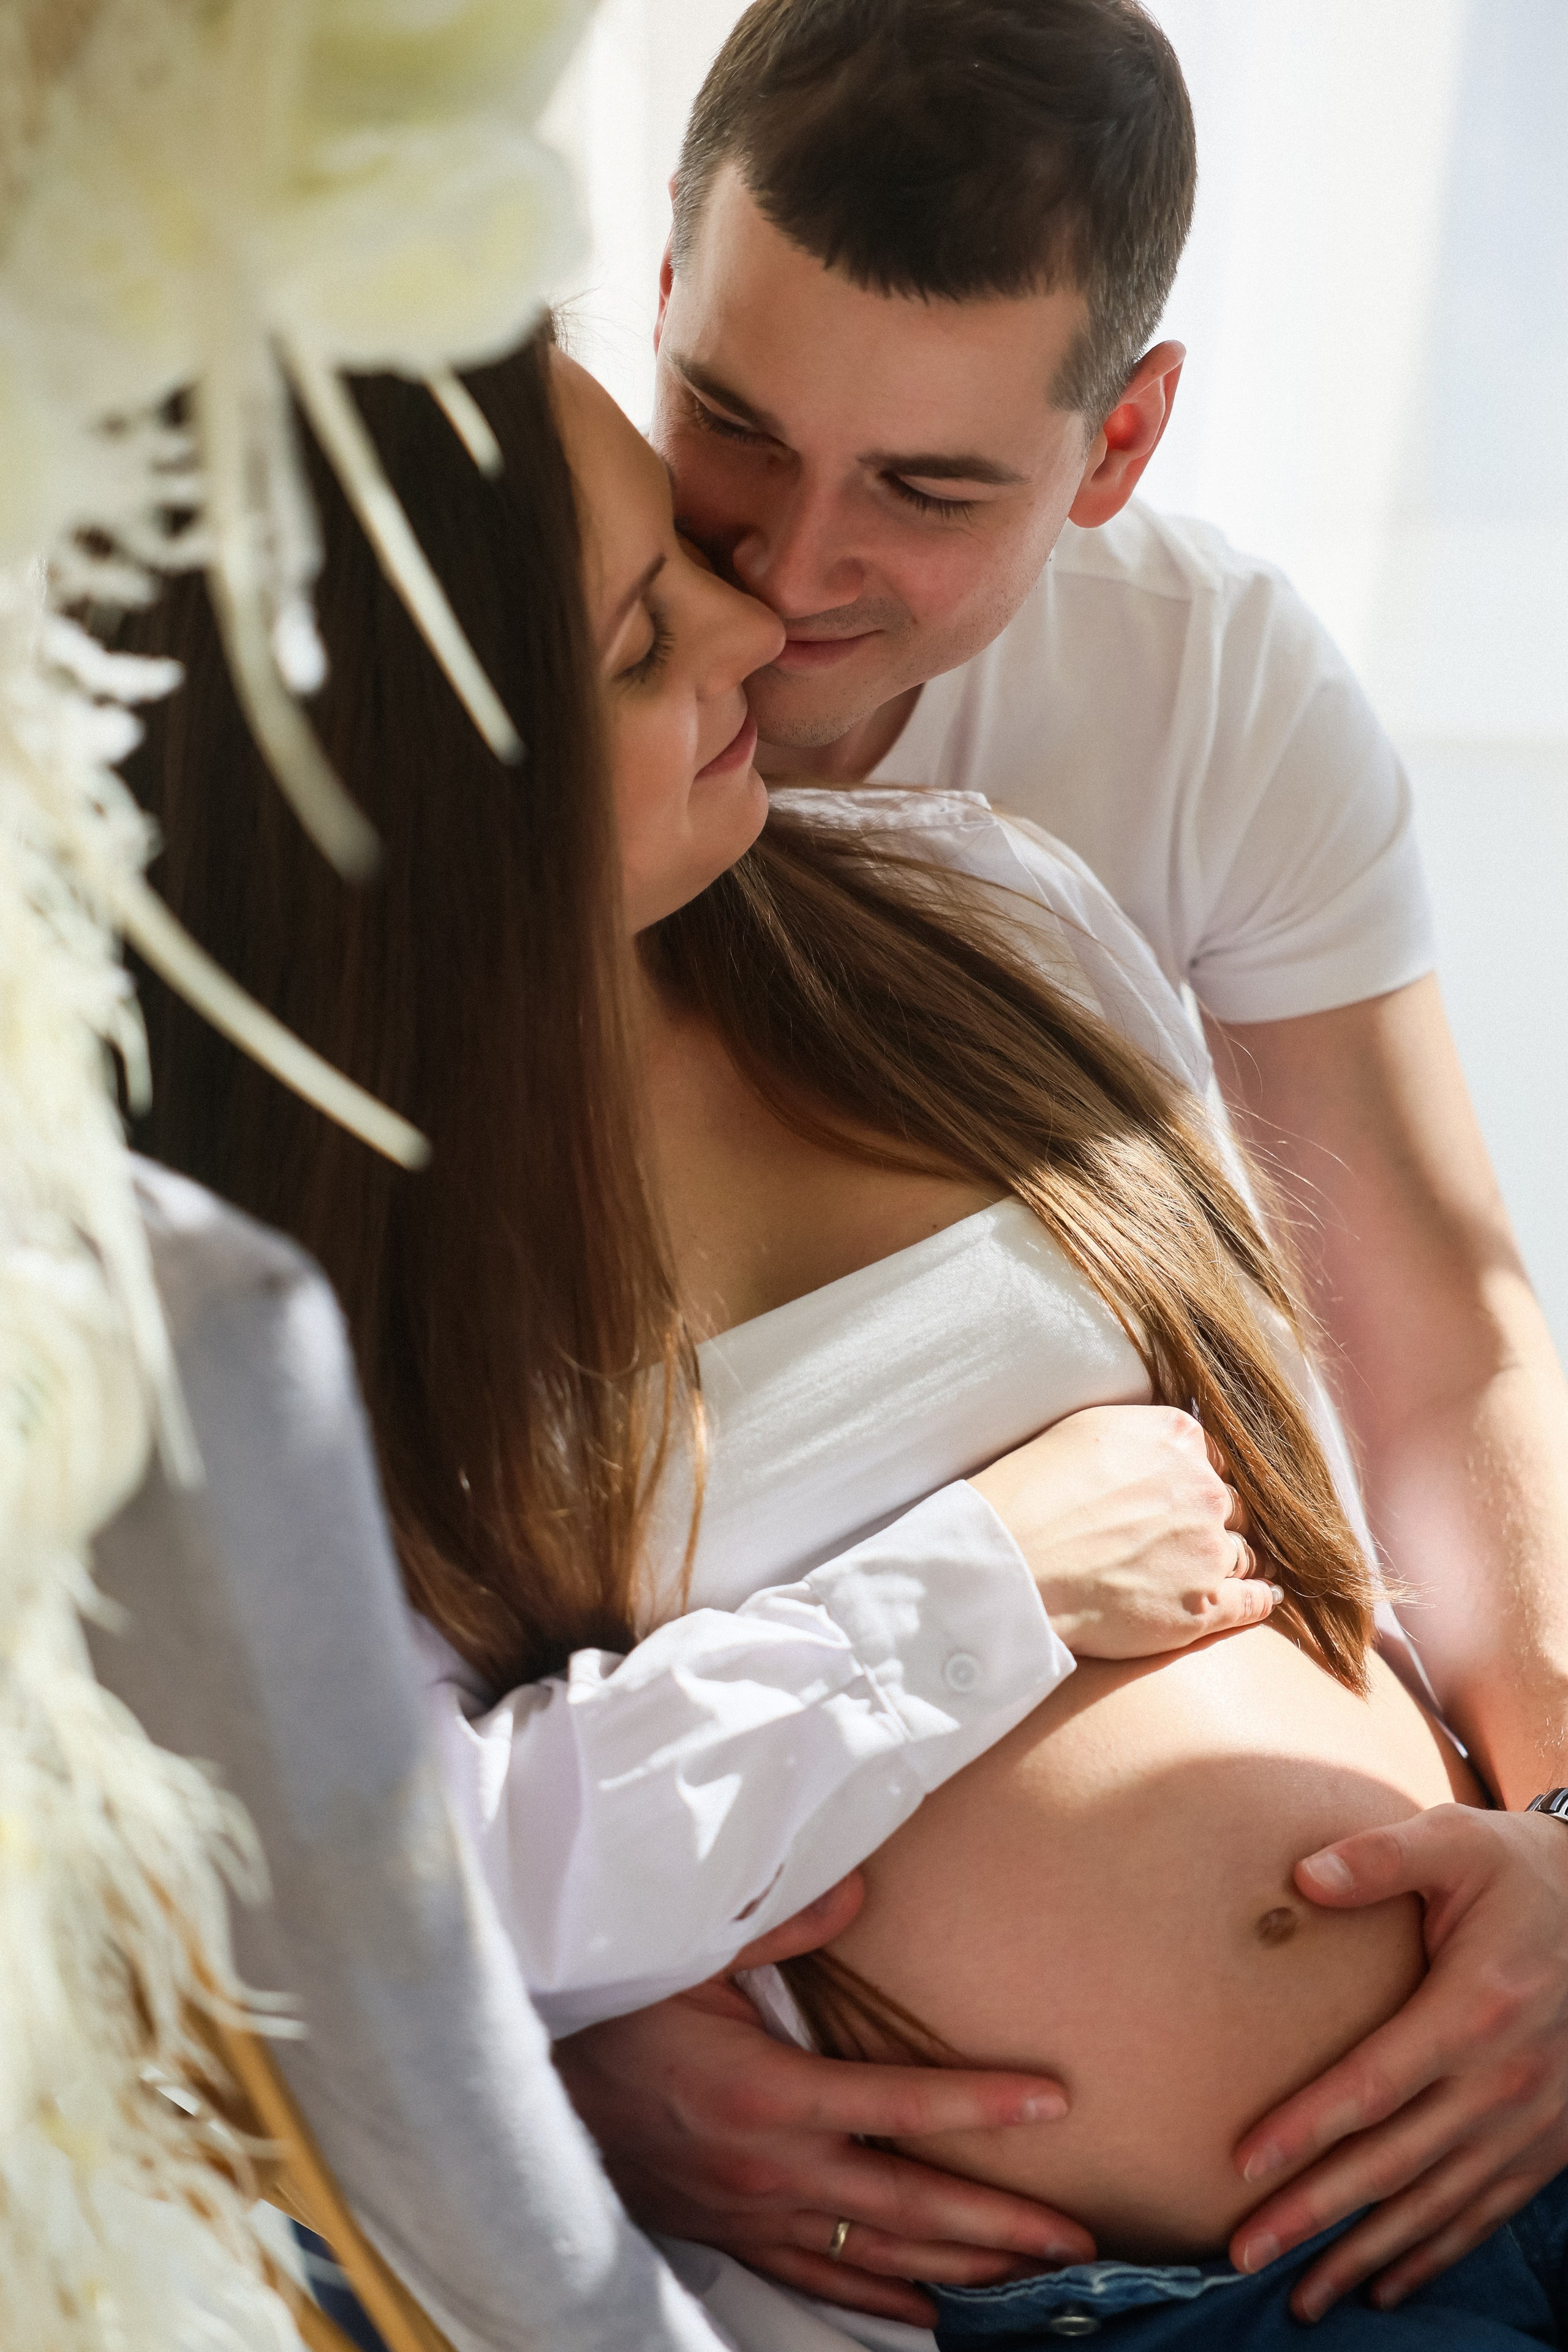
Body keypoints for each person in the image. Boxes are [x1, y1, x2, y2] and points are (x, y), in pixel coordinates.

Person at [563, 0, 1568, 2324]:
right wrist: (576, 2030)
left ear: (1121, 442)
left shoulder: (1177, 713)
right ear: (663, 309)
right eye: (729, 423)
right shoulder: (478, 700)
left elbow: (1442, 1342)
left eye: (930, 491)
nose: (791, 574)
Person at [116, 321, 1282, 2294]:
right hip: (1107, 2305)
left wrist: (1545, 1869)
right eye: (640, 645)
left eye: (685, 559)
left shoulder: (988, 913)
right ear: (420, 836)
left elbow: (1308, 1516)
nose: (760, 632)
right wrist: (975, 1588)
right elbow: (386, 1895)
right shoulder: (292, 1333)